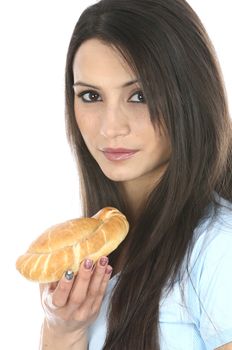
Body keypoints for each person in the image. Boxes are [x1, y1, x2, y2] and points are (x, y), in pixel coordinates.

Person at [39, 0, 232, 349]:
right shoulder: (98, 250)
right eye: (91, 95)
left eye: (139, 95)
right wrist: (63, 331)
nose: (110, 127)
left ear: (190, 96)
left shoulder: (219, 248)